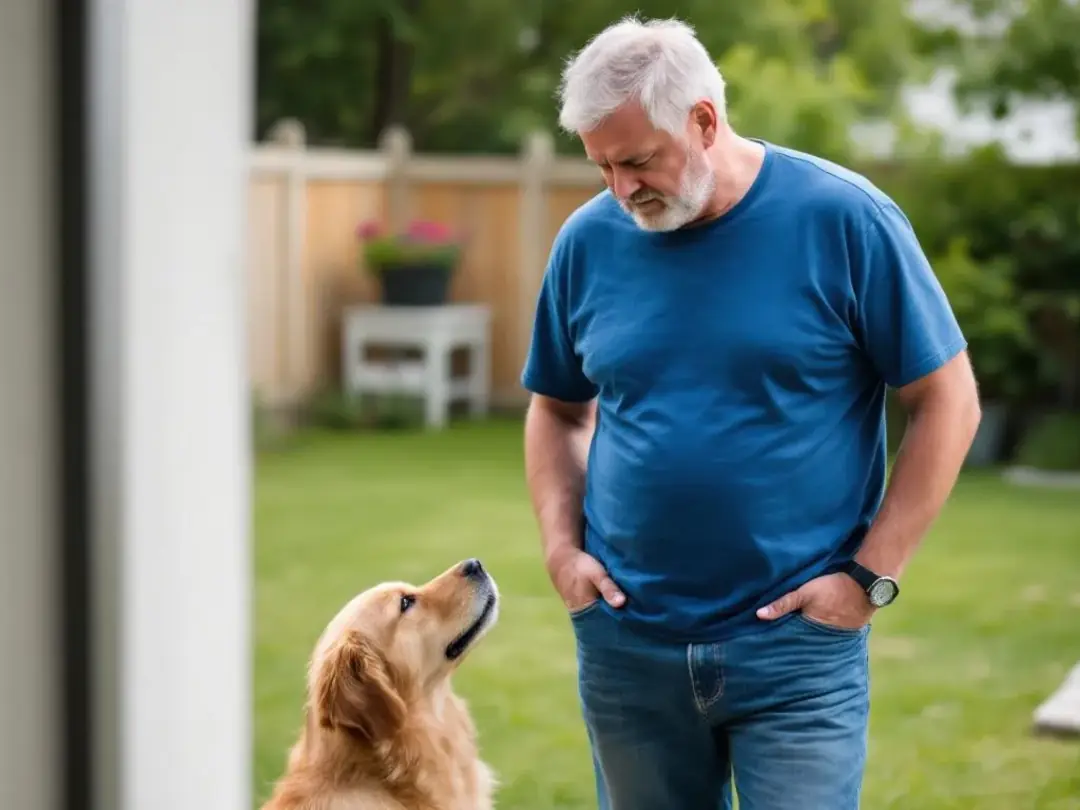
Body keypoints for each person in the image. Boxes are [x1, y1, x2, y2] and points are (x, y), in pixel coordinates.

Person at [520, 14, 982, 810]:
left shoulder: (844, 220)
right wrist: (563, 553)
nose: (621, 190)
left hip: (797, 654)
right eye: (601, 166)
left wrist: (869, 580)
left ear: (703, 120)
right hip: (629, 649)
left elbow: (948, 401)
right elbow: (558, 411)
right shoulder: (588, 241)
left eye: (637, 161)